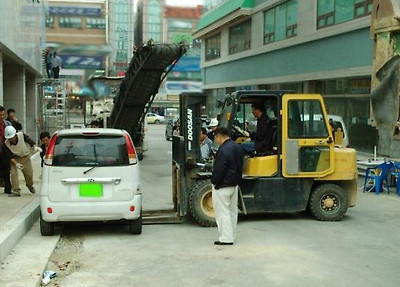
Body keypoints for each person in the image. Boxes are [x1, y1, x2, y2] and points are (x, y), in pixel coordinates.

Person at [211, 127, 244, 246]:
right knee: (232, 212)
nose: (217, 141)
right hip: (234, 185)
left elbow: (219, 169)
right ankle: (231, 235)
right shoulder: (237, 147)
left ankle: (225, 238)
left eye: (216, 138)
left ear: (219, 137)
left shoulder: (223, 150)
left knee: (222, 212)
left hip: (223, 186)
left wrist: (214, 182)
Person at [4, 126, 40, 197]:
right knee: (13, 175)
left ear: (15, 134)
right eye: (10, 138)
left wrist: (34, 147)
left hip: (25, 157)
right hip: (15, 159)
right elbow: (9, 156)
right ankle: (16, 191)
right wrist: (16, 164)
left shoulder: (21, 135)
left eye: (12, 137)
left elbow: (29, 141)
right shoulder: (6, 144)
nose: (12, 140)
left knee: (29, 174)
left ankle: (30, 185)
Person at [0, 106, 12, 194]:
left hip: (5, 149)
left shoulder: (7, 124)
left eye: (3, 114)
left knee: (6, 169)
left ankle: (8, 188)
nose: (1, 117)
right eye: (0, 115)